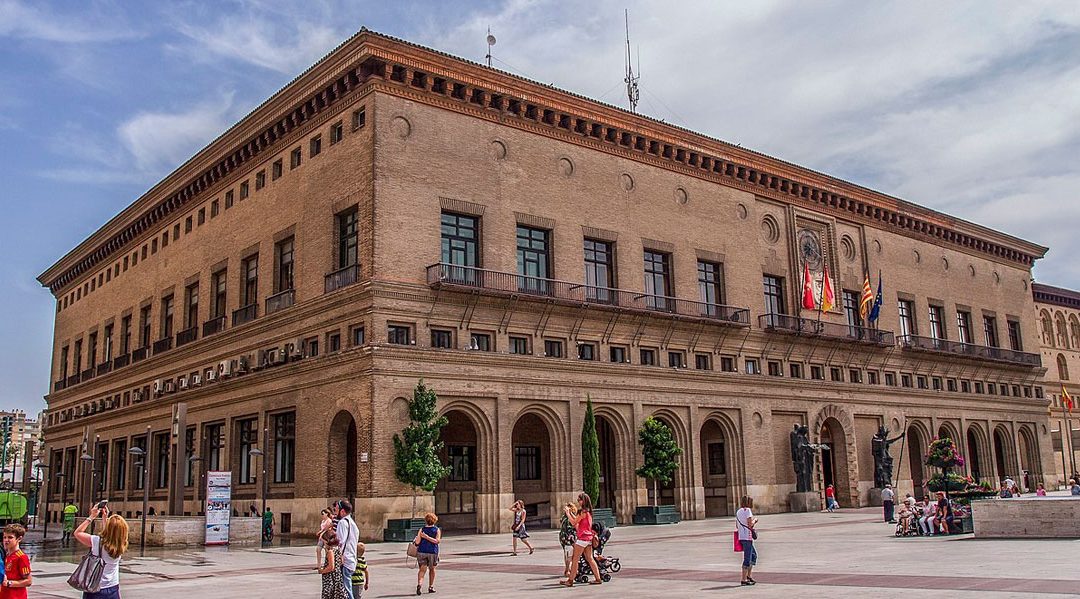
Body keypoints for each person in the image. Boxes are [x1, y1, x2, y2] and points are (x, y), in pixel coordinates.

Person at [73, 505, 128, 599]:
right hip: (113, 588)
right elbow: (111, 534)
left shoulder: (96, 541)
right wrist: (105, 519)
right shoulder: (121, 544)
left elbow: (77, 533)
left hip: (95, 587)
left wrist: (92, 516)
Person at [560, 493, 602, 587]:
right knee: (590, 558)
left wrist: (567, 513)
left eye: (580, 500)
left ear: (584, 500)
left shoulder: (582, 511)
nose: (579, 501)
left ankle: (570, 580)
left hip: (582, 538)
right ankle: (598, 578)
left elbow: (574, 522)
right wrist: (571, 513)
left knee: (575, 559)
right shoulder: (588, 512)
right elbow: (577, 523)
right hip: (589, 538)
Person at [334, 500, 360, 599]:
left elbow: (340, 542)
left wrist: (338, 556)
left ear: (343, 511)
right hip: (352, 559)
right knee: (346, 587)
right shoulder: (353, 524)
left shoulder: (342, 523)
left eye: (337, 509)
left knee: (345, 589)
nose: (335, 511)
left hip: (345, 560)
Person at [0, 524, 31, 598]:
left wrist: (9, 583)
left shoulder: (21, 557)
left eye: (10, 537)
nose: (6, 540)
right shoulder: (6, 555)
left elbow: (28, 581)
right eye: (4, 537)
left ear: (19, 539)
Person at [414, 512, 441, 595]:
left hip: (422, 551)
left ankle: (419, 584)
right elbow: (437, 541)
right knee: (432, 569)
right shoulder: (436, 530)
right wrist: (428, 537)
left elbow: (417, 542)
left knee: (422, 570)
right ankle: (431, 586)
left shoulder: (421, 530)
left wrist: (421, 538)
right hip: (432, 552)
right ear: (434, 520)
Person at [317, 528, 348, 599]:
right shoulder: (337, 548)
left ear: (327, 541)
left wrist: (322, 571)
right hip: (337, 575)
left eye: (323, 541)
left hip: (330, 577)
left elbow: (331, 567)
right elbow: (341, 561)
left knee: (329, 593)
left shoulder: (330, 551)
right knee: (337, 593)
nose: (323, 544)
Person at [735, 496, 758, 586]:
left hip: (741, 537)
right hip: (747, 537)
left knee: (753, 555)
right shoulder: (747, 510)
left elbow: (737, 526)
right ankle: (743, 579)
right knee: (747, 558)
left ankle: (748, 576)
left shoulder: (738, 511)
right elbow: (750, 524)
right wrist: (755, 520)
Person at [558, 502, 577, 578]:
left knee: (567, 554)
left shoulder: (563, 517)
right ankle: (567, 570)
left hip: (563, 537)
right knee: (569, 554)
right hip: (568, 538)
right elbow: (571, 529)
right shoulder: (568, 518)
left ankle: (568, 569)